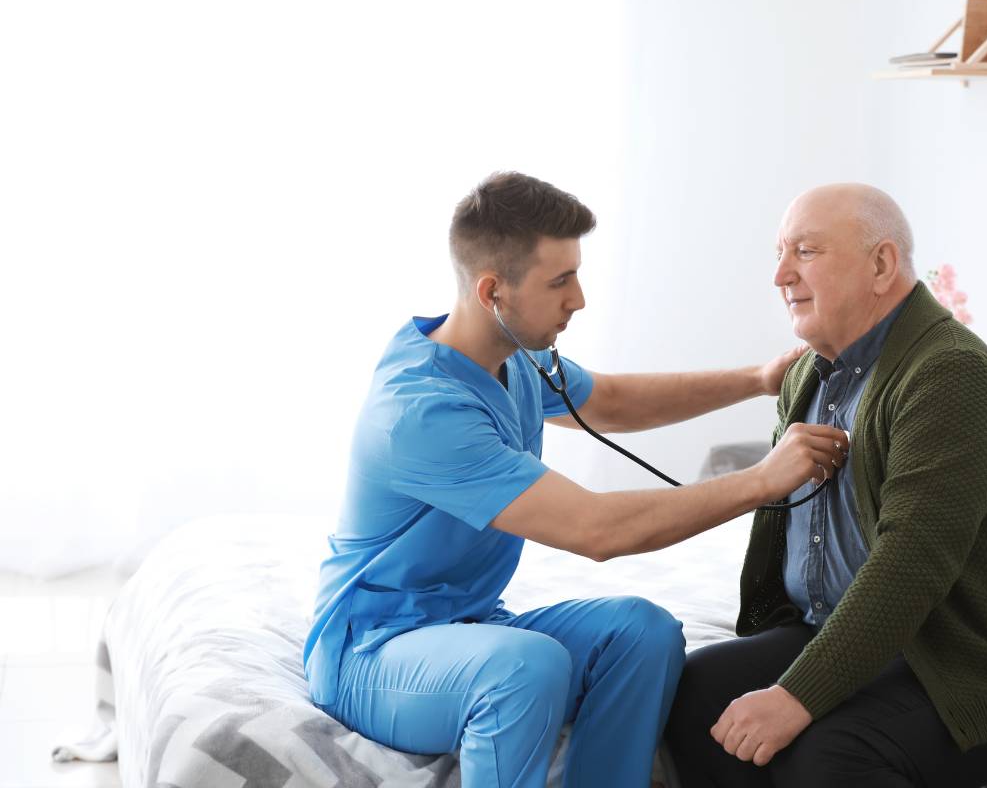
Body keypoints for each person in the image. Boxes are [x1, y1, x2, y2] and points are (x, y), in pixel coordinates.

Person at [302, 171, 848, 788]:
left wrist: (756, 378)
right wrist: (761, 481)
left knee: (644, 632)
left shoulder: (514, 357)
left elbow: (611, 400)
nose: (579, 298)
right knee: (524, 667)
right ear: (492, 292)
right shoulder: (421, 412)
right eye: (560, 281)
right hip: (371, 652)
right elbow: (595, 530)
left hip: (474, 627)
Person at [664, 183, 987, 788]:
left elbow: (911, 565)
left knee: (828, 753)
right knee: (694, 694)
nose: (780, 275)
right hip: (835, 629)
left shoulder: (952, 376)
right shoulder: (809, 370)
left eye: (804, 251)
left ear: (881, 264)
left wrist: (794, 696)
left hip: (969, 660)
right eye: (779, 253)